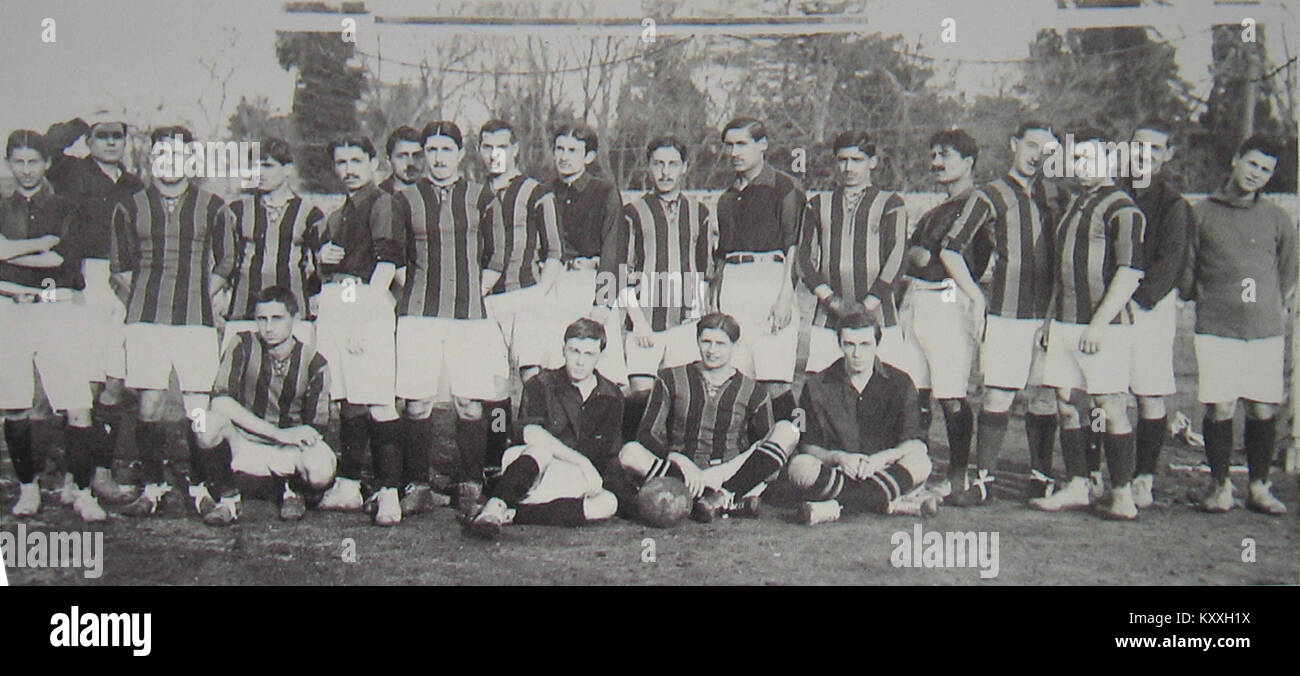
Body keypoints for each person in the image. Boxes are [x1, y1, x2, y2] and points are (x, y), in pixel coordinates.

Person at [388, 120, 509, 523]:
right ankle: (416, 485)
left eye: (446, 150)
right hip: (419, 315)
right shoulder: (405, 198)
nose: (439, 158)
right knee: (417, 401)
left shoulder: (481, 197)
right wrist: (418, 289)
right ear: (423, 156)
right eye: (431, 151)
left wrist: (475, 292)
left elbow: (495, 256)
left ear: (461, 154)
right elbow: (397, 259)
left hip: (468, 317)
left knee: (469, 402)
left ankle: (470, 485)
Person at [940, 121, 1067, 502]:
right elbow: (950, 250)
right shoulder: (990, 195)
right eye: (1030, 146)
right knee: (998, 395)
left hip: (1048, 313)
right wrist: (977, 298)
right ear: (1014, 144)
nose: (1036, 156)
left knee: (1044, 397)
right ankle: (984, 481)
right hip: (1006, 313)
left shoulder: (1057, 196)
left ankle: (1041, 476)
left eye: (1046, 151)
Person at [111, 125, 234, 517]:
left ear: (191, 161)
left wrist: (198, 294)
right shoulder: (130, 206)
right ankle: (154, 487)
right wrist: (150, 299)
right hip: (146, 321)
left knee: (198, 412)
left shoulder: (213, 206)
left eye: (178, 155)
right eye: (162, 154)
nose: (170, 163)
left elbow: (228, 261)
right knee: (149, 406)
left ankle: (207, 489)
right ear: (151, 159)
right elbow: (121, 268)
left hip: (194, 322)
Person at [1031, 127, 1147, 520]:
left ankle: (1122, 494)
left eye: (1090, 158)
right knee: (1067, 404)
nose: (1081, 166)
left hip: (1105, 326)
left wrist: (1099, 324)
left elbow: (1130, 273)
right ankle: (1078, 485)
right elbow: (1061, 272)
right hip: (1065, 321)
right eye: (1076, 158)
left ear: (1111, 160)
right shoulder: (1075, 204)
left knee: (1110, 405)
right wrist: (1050, 318)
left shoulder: (1123, 208)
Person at [1183, 134, 1294, 516]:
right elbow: (1188, 269)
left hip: (1263, 329)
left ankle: (1260, 487)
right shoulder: (1201, 213)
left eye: (1265, 170)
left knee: (1263, 408)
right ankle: (1220, 486)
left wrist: (1267, 305)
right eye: (1252, 164)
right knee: (1221, 407)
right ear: (1235, 159)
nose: (1256, 174)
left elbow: (1287, 271)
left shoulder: (1277, 218)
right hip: (1216, 326)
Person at [0, 129, 104, 522]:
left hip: (57, 308)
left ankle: (82, 490)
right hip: (9, 309)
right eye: (18, 161)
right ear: (10, 163)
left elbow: (62, 263)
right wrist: (37, 244)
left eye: (33, 162)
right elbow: (39, 254)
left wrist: (9, 253)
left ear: (46, 164)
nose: (26, 170)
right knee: (14, 406)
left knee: (78, 406)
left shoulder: (66, 207)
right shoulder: (0, 206)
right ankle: (28, 489)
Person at [44, 115, 144, 503]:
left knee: (115, 383)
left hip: (123, 281)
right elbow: (48, 142)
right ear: (88, 140)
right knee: (84, 383)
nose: (110, 143)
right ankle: (74, 477)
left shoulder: (134, 184)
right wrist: (84, 120)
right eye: (101, 136)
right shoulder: (71, 171)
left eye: (116, 136)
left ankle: (102, 473)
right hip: (83, 280)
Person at [617, 312, 797, 522]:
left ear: (735, 346)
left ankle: (722, 496)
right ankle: (721, 503)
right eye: (706, 342)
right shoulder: (670, 378)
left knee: (788, 430)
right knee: (630, 453)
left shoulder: (754, 391)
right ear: (697, 341)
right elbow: (647, 433)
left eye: (720, 344)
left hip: (729, 472)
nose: (712, 351)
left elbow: (766, 447)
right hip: (680, 471)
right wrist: (679, 460)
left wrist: (745, 473)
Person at [311, 136, 404, 523]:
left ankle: (390, 493)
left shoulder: (383, 202)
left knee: (379, 398)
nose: (348, 169)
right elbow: (326, 269)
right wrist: (322, 259)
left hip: (366, 300)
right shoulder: (340, 211)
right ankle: (349, 484)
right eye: (341, 162)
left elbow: (387, 265)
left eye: (356, 160)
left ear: (372, 161)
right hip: (339, 299)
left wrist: (364, 316)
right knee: (349, 397)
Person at [465, 318, 622, 539]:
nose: (579, 361)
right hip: (527, 469)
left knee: (608, 503)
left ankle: (514, 514)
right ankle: (494, 508)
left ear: (600, 356)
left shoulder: (612, 395)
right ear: (563, 350)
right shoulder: (542, 383)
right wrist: (582, 462)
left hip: (569, 480)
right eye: (574, 351)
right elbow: (531, 433)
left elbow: (610, 453)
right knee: (541, 449)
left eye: (589, 354)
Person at [898, 129, 988, 503]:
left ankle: (957, 477)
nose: (936, 162)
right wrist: (924, 253)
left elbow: (941, 258)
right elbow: (913, 256)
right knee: (915, 389)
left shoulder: (978, 203)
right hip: (917, 299)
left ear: (969, 161)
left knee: (950, 391)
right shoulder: (936, 210)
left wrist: (927, 253)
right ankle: (918, 471)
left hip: (950, 299)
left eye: (946, 155)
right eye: (933, 154)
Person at [197, 286, 335, 525]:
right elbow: (219, 402)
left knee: (322, 470)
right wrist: (276, 433)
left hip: (288, 450)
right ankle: (229, 498)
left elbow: (315, 429)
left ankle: (292, 489)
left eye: (277, 318)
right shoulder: (242, 344)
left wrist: (287, 437)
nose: (268, 327)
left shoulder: (315, 362)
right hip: (245, 442)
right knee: (204, 423)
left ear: (295, 318)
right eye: (262, 319)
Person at [786, 312, 939, 524]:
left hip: (884, 469)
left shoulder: (901, 382)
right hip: (838, 472)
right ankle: (885, 502)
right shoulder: (815, 386)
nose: (857, 353)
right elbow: (807, 446)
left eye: (865, 344)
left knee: (922, 462)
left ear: (877, 344)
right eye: (849, 345)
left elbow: (916, 442)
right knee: (799, 466)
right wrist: (839, 457)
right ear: (839, 344)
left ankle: (838, 506)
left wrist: (882, 459)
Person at [476, 117, 562, 477]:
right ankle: (495, 458)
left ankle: (534, 453)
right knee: (495, 384)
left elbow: (555, 251)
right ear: (480, 152)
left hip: (526, 296)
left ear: (515, 150)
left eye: (502, 147)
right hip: (487, 301)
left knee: (532, 376)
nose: (494, 155)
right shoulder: (474, 194)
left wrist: (540, 294)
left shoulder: (537, 192)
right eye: (487, 147)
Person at [1118, 117, 1191, 508]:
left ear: (1167, 155)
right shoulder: (1113, 193)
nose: (1143, 156)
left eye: (1154, 149)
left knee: (1148, 393)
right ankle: (1106, 474)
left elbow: (1170, 262)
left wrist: (1138, 300)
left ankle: (1144, 476)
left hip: (1148, 309)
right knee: (1106, 392)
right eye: (1138, 146)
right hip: (1109, 305)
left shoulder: (1173, 205)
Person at [712, 118, 805, 420]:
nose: (735, 152)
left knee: (775, 379)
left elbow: (794, 244)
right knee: (737, 377)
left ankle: (789, 450)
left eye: (743, 144)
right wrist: (715, 298)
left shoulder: (785, 187)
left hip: (770, 279)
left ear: (762, 145)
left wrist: (785, 296)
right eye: (730, 145)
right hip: (733, 284)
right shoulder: (726, 197)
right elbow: (722, 255)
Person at [621, 135, 712, 441]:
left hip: (685, 321)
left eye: (673, 164)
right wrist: (639, 321)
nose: (665, 172)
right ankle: (633, 461)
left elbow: (703, 271)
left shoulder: (699, 212)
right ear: (648, 167)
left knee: (682, 396)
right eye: (658, 164)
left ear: (685, 167)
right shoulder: (633, 211)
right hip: (645, 320)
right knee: (641, 393)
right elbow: (622, 272)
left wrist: (697, 316)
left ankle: (675, 464)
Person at [798, 129, 909, 375]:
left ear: (873, 162)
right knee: (823, 391)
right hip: (828, 318)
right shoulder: (818, 204)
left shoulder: (891, 203)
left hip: (880, 316)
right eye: (842, 160)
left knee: (883, 391)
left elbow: (897, 258)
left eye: (857, 160)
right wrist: (832, 301)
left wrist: (866, 305)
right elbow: (804, 260)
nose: (848, 167)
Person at [219, 136, 323, 353]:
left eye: (267, 166)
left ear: (287, 169)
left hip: (293, 318)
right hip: (243, 314)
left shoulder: (310, 214)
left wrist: (309, 298)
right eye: (255, 166)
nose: (259, 173)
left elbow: (321, 268)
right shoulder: (237, 210)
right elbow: (225, 263)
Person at [378, 125, 426, 193]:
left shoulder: (433, 193)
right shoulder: (377, 198)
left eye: (416, 155)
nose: (411, 163)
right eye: (402, 156)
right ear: (389, 161)